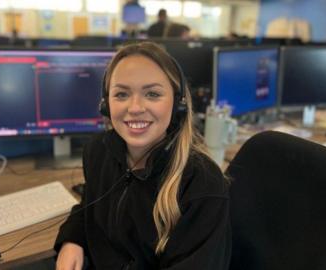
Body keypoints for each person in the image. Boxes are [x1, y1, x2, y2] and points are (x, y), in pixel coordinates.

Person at [54, 42, 231, 270]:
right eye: (121, 94)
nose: (135, 107)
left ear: (178, 104)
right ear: (106, 104)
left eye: (152, 94)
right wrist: (72, 241)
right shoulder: (99, 151)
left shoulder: (201, 182)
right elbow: (90, 204)